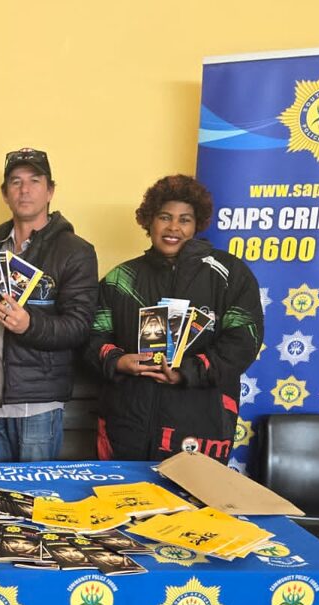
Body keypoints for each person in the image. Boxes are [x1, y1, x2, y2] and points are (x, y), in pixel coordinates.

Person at [84, 174, 264, 462]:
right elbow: (93, 338)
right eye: (164, 217)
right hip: (126, 425)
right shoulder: (120, 279)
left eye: (184, 219)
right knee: (119, 501)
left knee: (192, 505)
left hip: (200, 424)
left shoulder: (229, 275)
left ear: (197, 225)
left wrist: (185, 372)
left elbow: (243, 342)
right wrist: (118, 360)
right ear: (149, 221)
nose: (173, 228)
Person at [0, 148, 98, 462]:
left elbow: (79, 326)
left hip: (37, 406)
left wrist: (30, 325)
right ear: (4, 194)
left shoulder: (76, 251)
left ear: (50, 190)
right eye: (16, 182)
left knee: (36, 503)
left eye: (35, 180)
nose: (25, 189)